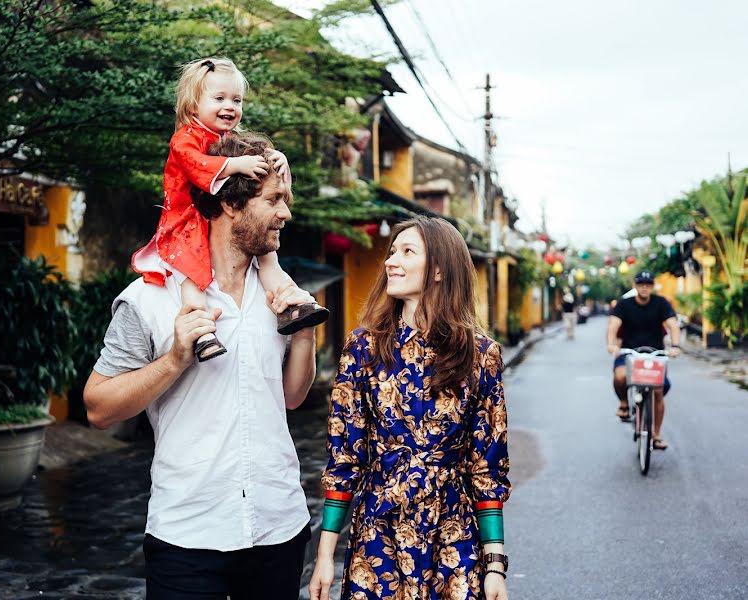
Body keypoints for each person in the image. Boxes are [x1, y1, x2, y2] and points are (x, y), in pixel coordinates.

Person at [85, 133, 317, 600]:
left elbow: (292, 397)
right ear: (230, 204)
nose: (285, 214)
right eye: (273, 200)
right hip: (188, 536)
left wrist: (306, 331)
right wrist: (174, 360)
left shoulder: (280, 293)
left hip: (279, 525)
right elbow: (97, 407)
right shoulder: (149, 297)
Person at [309, 216, 511, 600]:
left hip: (454, 539)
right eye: (391, 251)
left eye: (407, 251)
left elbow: (487, 467)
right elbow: (344, 460)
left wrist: (495, 565)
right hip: (378, 534)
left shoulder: (480, 355)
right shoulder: (363, 349)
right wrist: (324, 556)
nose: (390, 261)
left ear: (438, 269)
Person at [131, 56, 327, 362]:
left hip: (214, 214)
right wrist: (236, 164)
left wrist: (280, 159)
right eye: (219, 98)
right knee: (192, 274)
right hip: (187, 216)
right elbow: (197, 167)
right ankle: (201, 332)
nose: (230, 106)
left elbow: (266, 175)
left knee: (268, 255)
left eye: (237, 100)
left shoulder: (229, 139)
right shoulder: (185, 139)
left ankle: (292, 305)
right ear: (193, 104)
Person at [606, 270, 681, 450]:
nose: (644, 288)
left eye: (648, 284)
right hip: (629, 352)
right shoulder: (624, 305)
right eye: (641, 284)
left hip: (655, 354)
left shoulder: (661, 303)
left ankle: (655, 435)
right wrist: (612, 344)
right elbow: (613, 325)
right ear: (635, 286)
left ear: (652, 286)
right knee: (620, 376)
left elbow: (672, 324)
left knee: (658, 390)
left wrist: (675, 345)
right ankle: (624, 403)